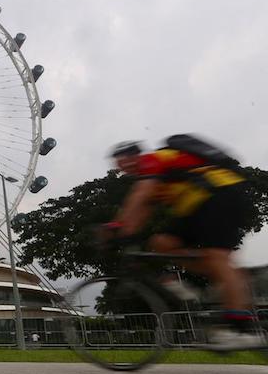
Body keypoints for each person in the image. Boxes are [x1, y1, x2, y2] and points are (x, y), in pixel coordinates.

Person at [106, 138, 264, 349]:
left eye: (124, 163)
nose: (123, 169)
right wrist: (126, 234)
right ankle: (219, 280)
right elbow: (142, 210)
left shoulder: (152, 160)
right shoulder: (157, 180)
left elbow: (139, 196)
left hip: (220, 193)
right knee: (161, 242)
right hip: (194, 205)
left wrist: (116, 227)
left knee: (218, 257)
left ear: (135, 156)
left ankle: (242, 328)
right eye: (119, 166)